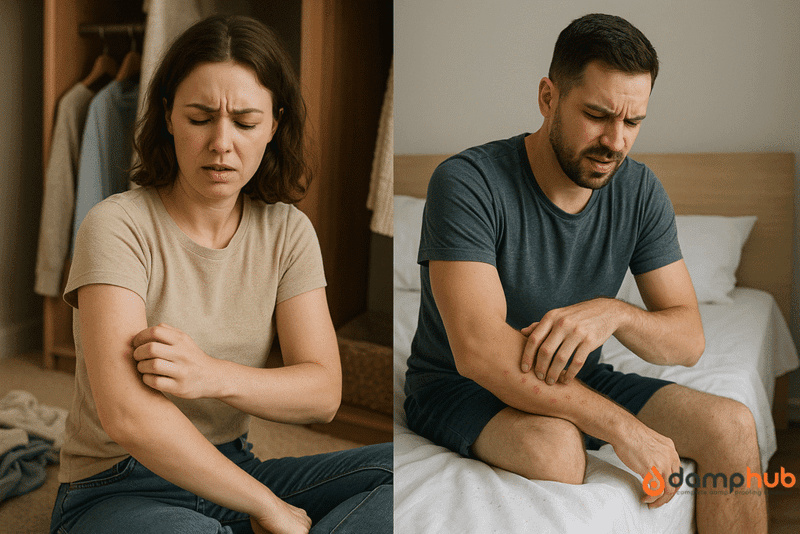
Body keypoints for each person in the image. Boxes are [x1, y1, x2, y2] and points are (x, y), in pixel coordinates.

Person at [404, 13, 765, 534]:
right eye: (596, 115)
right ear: (548, 97)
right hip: (460, 386)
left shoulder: (639, 192)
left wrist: (612, 313)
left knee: (732, 426)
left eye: (633, 122)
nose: (615, 142)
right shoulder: (466, 183)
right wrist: (623, 429)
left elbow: (687, 342)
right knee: (554, 448)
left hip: (576, 376)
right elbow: (479, 351)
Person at [50, 15, 391, 534]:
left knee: (409, 471)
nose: (221, 143)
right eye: (200, 117)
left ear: (274, 126)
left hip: (232, 468)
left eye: (246, 122)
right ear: (168, 116)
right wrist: (269, 506)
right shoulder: (115, 226)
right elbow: (127, 416)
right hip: (116, 485)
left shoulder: (288, 232)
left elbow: (323, 394)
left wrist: (210, 374)